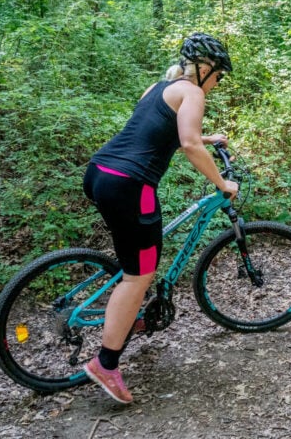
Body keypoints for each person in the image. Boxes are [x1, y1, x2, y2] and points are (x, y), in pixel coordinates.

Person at [81, 33, 239, 404]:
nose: (216, 85)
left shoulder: (161, 86)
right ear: (204, 69)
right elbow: (187, 143)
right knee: (140, 273)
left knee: (134, 261)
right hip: (131, 186)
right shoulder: (194, 93)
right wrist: (222, 182)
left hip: (101, 172)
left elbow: (155, 129)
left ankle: (130, 311)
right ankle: (106, 363)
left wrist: (208, 137)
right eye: (217, 76)